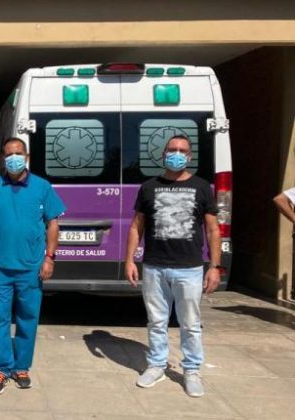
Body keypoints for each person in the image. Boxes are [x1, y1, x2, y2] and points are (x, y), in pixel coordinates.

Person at [125, 134, 222, 398]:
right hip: (154, 266)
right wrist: (130, 259)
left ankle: (191, 370)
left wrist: (215, 266)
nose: (176, 154)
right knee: (156, 321)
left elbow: (213, 230)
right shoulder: (149, 187)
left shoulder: (202, 187)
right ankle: (156, 365)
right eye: (172, 149)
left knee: (190, 323)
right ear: (163, 154)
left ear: (189, 157)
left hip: (189, 267)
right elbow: (136, 226)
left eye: (182, 150)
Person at [0, 137, 65, 395]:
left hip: (32, 268)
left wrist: (49, 257)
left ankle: (21, 366)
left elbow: (53, 223)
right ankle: (1, 368)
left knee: (27, 318)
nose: (14, 158)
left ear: (27, 157)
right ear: (3, 158)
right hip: (0, 266)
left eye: (18, 153)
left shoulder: (42, 187)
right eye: (9, 154)